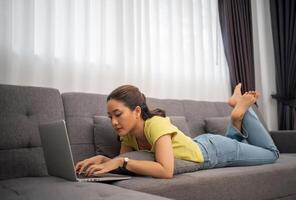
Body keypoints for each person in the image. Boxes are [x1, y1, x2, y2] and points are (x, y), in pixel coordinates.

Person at [75, 83, 279, 179]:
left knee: (272, 154)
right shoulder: (126, 133)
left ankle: (242, 111)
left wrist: (120, 161)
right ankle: (236, 116)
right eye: (110, 116)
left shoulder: (156, 124)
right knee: (240, 144)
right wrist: (103, 159)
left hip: (215, 151)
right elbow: (128, 163)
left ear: (137, 111)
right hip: (204, 144)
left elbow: (165, 171)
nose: (113, 121)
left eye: (118, 114)